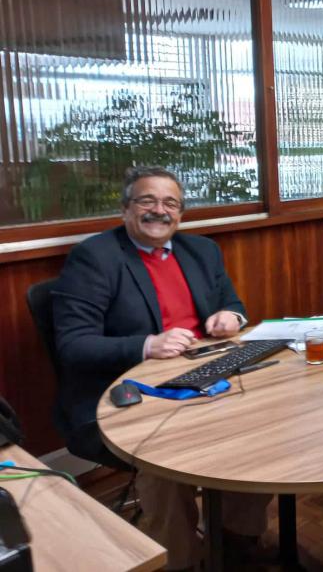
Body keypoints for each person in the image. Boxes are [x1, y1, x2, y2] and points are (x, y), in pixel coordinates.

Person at [53, 166, 270, 571]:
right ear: (125, 209)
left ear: (181, 214)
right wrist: (147, 344)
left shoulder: (201, 251)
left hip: (205, 377)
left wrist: (230, 317)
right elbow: (72, 344)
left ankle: (237, 540)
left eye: (170, 203)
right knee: (165, 463)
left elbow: (235, 305)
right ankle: (182, 561)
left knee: (260, 430)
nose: (160, 210)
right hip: (127, 393)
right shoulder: (96, 257)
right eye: (147, 200)